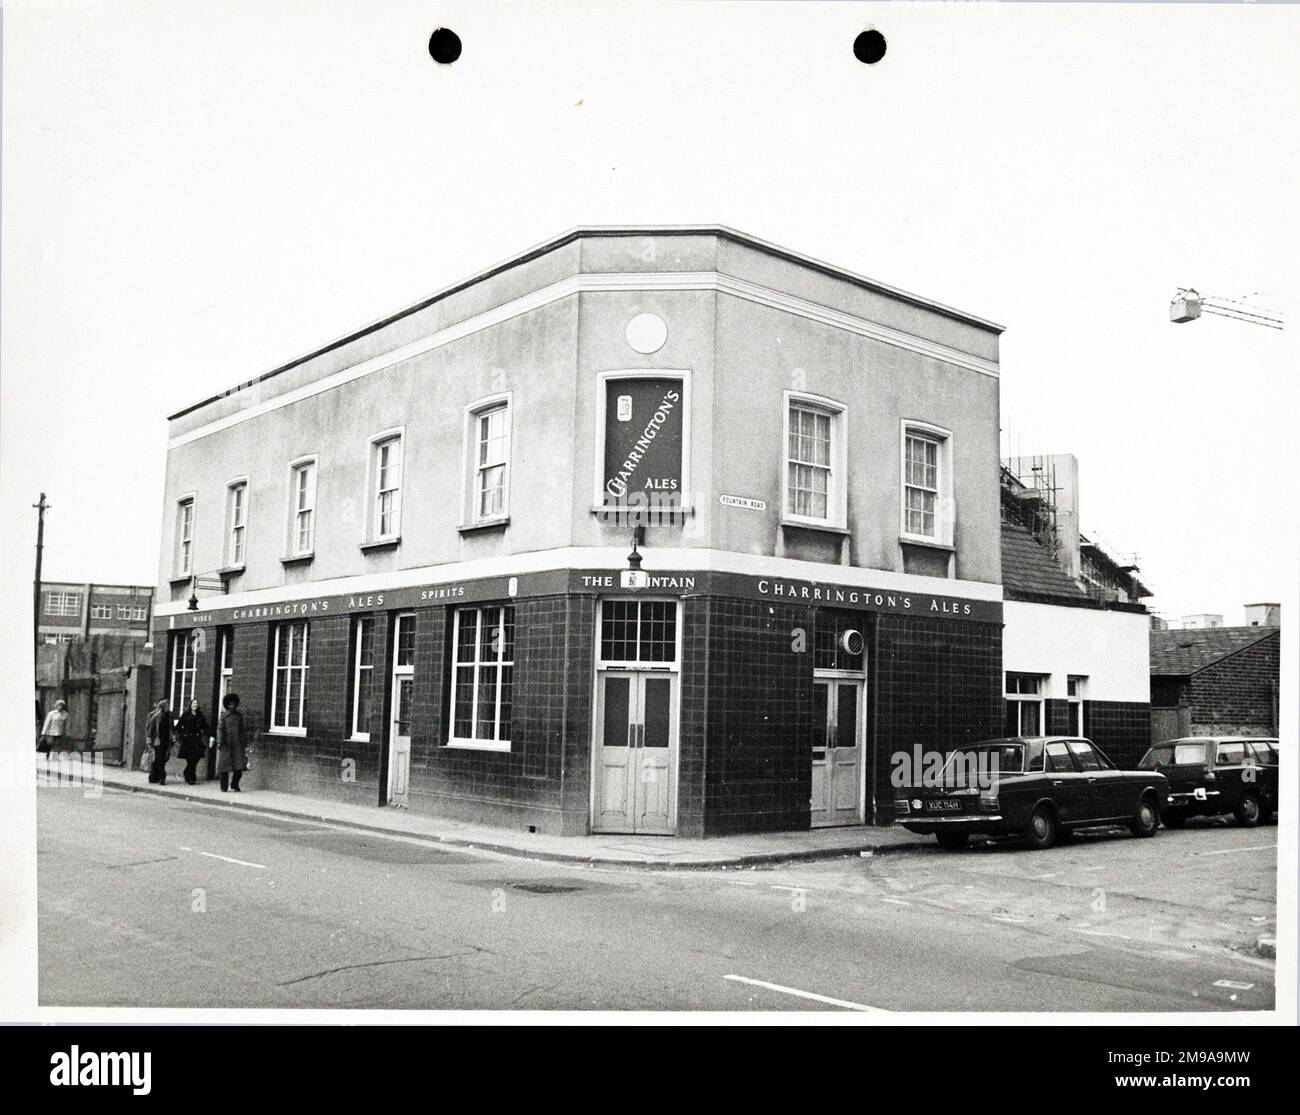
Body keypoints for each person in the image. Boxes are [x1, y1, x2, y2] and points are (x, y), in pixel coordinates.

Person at [216, 692, 249, 792]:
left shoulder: (239, 716)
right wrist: (219, 741)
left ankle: (235, 784)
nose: (232, 706)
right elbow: (220, 729)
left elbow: (242, 730)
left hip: (237, 744)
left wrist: (244, 743)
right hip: (226, 743)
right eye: (230, 704)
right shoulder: (223, 716)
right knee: (224, 767)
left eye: (234, 704)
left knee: (239, 767)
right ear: (226, 705)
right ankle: (223, 786)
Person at [176, 699, 212, 786]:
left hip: (197, 740)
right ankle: (191, 778)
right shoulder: (186, 714)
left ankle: (187, 773)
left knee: (195, 759)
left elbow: (205, 726)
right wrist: (183, 735)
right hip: (188, 740)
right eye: (193, 703)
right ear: (190, 705)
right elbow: (178, 726)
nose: (195, 705)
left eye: (196, 703)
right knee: (190, 759)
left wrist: (211, 735)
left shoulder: (200, 715)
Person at [146, 698, 174, 784]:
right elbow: (150, 729)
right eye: (167, 706)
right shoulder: (155, 716)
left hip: (167, 741)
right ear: (162, 707)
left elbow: (172, 728)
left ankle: (153, 777)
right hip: (157, 741)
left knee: (163, 759)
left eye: (168, 705)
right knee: (159, 759)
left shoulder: (170, 716)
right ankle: (162, 777)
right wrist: (149, 740)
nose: (168, 707)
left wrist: (173, 736)